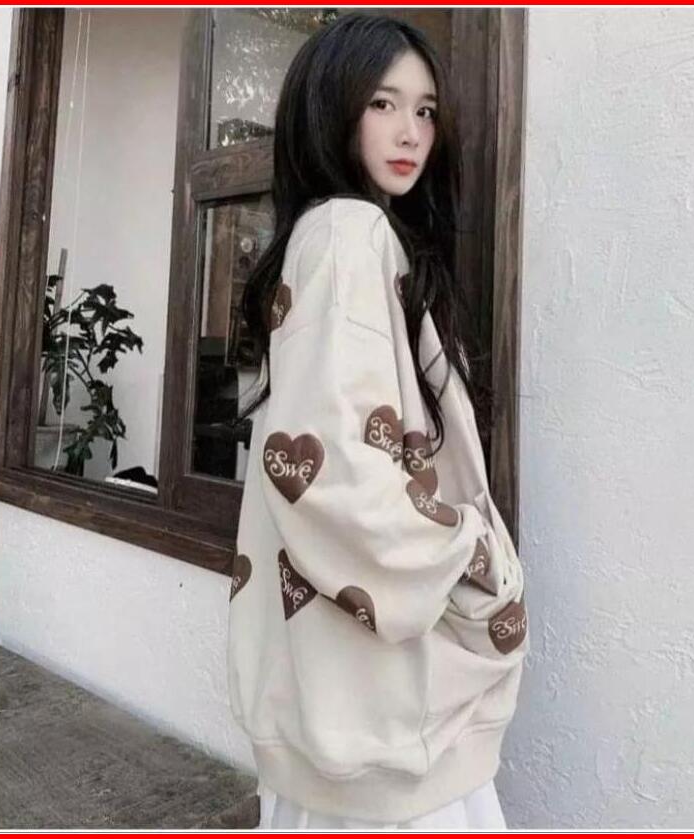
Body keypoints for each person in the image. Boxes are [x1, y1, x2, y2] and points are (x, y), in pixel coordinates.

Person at [226, 11, 529, 830]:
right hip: (382, 706)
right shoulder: (349, 234)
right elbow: (334, 470)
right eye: (382, 103)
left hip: (338, 690)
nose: (410, 132)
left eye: (424, 110)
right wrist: (468, 550)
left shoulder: (330, 237)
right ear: (332, 108)